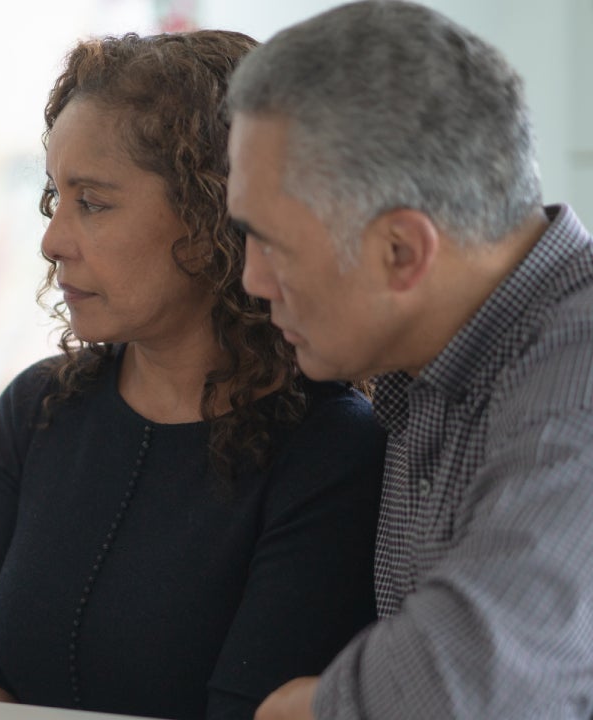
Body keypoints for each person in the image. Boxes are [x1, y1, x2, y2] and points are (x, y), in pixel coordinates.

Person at [0, 31, 386, 720]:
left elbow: (245, 709)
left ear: (212, 217)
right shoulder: (35, 409)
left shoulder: (331, 449)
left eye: (94, 202)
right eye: (56, 196)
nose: (52, 240)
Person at [225, 2, 593, 718]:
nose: (251, 280)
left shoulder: (577, 387)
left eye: (271, 242)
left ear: (402, 252)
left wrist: (311, 707)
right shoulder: (430, 366)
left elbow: (459, 689)